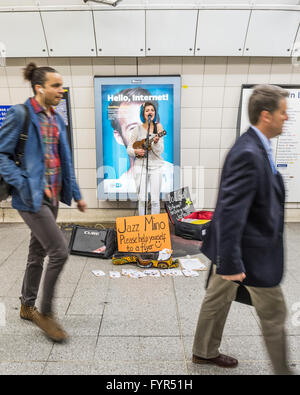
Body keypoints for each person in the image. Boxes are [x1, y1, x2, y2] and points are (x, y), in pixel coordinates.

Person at [192, 84, 293, 375]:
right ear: (266, 115)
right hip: (249, 253)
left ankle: (204, 352)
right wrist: (231, 262)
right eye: (283, 113)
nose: (287, 118)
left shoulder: (258, 146)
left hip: (237, 248)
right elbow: (231, 212)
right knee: (274, 314)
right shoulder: (249, 152)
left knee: (217, 298)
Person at [0, 63, 87, 342]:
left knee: (37, 252)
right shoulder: (21, 114)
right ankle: (46, 314)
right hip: (30, 198)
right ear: (40, 88)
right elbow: (1, 155)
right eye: (55, 85)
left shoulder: (56, 119)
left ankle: (27, 306)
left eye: (61, 85)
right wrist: (23, 180)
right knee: (60, 251)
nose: (60, 90)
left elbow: (66, 160)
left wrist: (76, 193)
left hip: (52, 198)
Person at [107, 87, 173, 195]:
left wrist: (156, 142)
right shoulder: (119, 187)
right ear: (118, 137)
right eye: (133, 128)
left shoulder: (173, 176)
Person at [127, 101, 165, 215]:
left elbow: (160, 150)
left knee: (155, 199)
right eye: (147, 110)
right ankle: (142, 227)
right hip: (140, 166)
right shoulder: (137, 129)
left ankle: (154, 228)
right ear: (143, 113)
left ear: (155, 113)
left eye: (152, 110)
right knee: (142, 199)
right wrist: (136, 151)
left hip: (156, 165)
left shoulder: (158, 127)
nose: (150, 112)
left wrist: (156, 142)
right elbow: (129, 149)